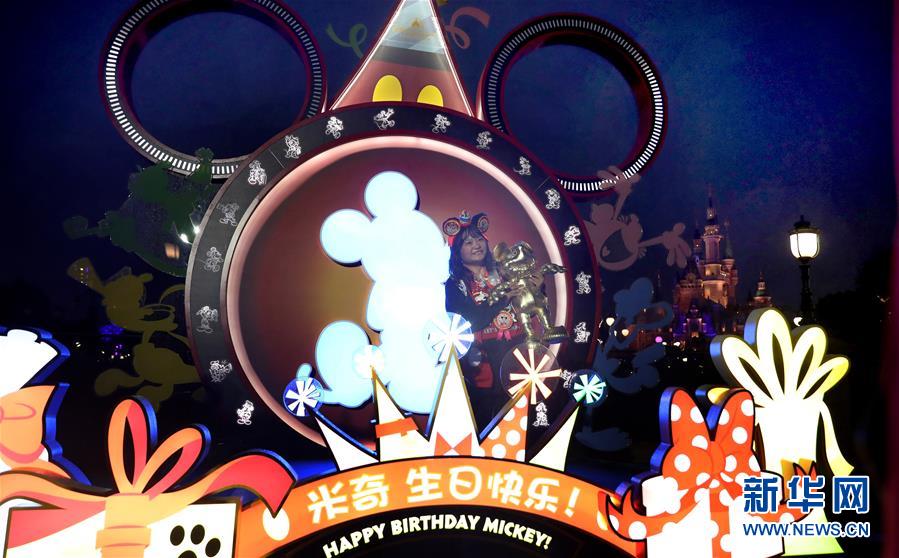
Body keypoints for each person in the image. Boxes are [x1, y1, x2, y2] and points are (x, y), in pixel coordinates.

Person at [443, 211, 525, 426]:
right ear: (457, 251)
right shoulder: (456, 284)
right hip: (482, 364)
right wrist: (502, 299)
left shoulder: (504, 272)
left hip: (518, 355)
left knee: (522, 419)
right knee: (487, 422)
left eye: (479, 239)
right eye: (468, 242)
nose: (476, 245)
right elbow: (470, 321)